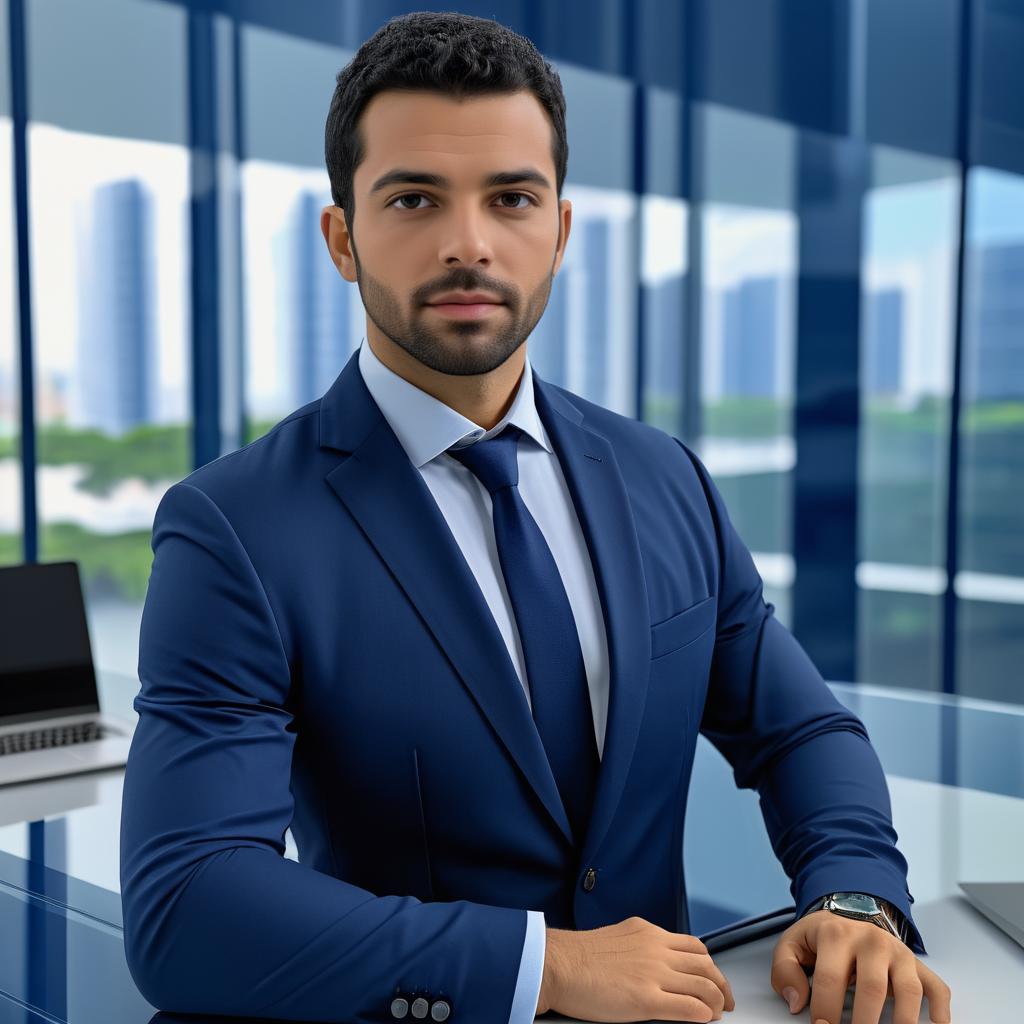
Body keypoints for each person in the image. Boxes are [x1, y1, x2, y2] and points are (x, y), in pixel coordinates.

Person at [119, 10, 953, 1024]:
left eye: (510, 198)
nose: (468, 243)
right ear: (343, 238)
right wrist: (538, 966)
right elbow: (188, 905)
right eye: (415, 198)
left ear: (558, 229)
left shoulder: (662, 476)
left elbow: (800, 731)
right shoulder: (235, 527)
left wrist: (854, 894)